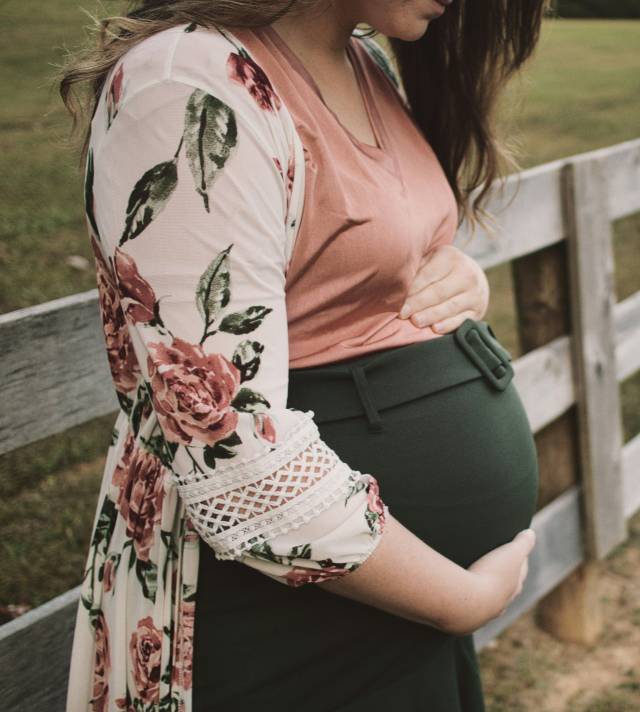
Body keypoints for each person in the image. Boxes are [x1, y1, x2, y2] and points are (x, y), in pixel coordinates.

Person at [58, 0, 550, 709]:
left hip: (388, 619)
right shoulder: (190, 86)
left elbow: (354, 262)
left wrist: (458, 281)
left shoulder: (364, 61)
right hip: (288, 629)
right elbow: (228, 447)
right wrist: (459, 601)